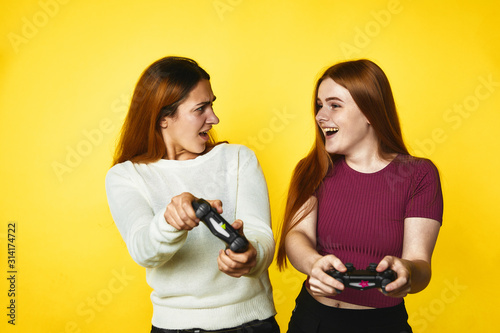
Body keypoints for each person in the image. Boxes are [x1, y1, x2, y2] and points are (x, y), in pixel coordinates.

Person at [105, 56, 279, 332]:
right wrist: (170, 221)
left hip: (251, 324)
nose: (214, 118)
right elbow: (143, 250)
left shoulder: (238, 159)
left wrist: (251, 254)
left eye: (212, 104)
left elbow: (262, 235)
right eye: (201, 109)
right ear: (164, 118)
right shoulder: (125, 176)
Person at [276, 59, 443, 333]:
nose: (320, 116)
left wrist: (407, 272)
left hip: (382, 324)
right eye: (319, 105)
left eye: (334, 105)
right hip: (313, 319)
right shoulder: (313, 169)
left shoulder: (419, 175)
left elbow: (421, 265)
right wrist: (313, 263)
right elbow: (298, 236)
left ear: (369, 110)